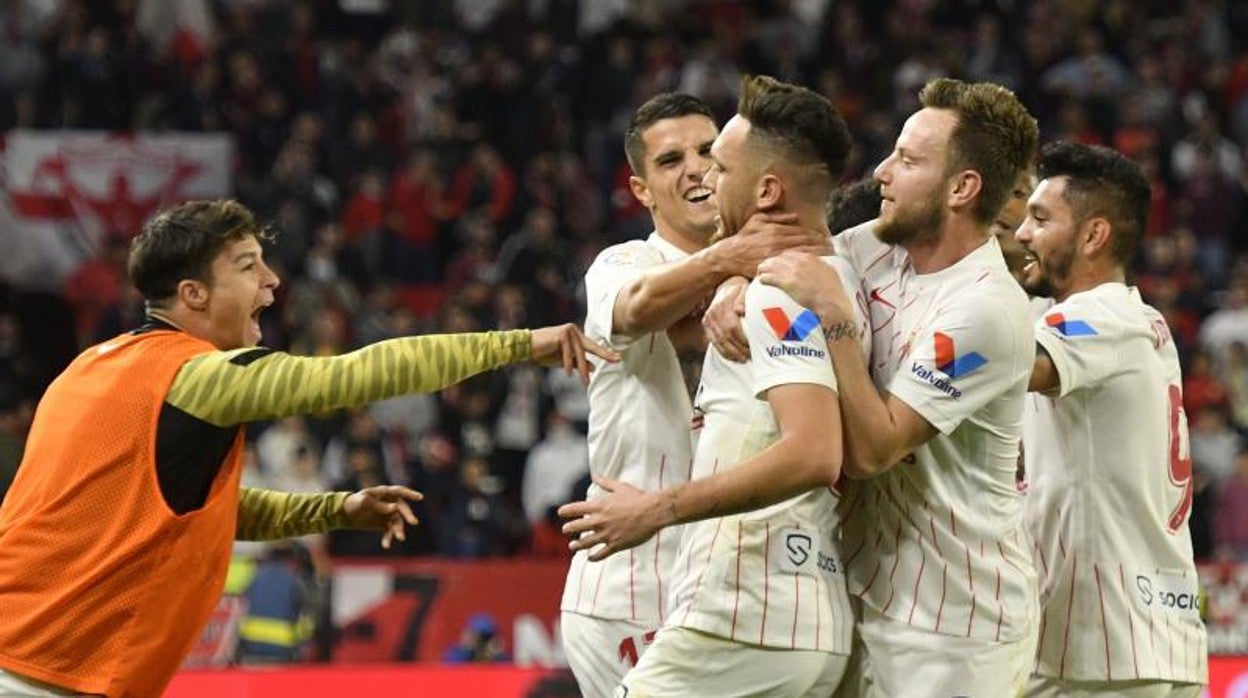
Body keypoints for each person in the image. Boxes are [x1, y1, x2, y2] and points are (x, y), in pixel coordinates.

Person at [0, 199, 614, 698]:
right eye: (248, 267)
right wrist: (518, 344)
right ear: (193, 294)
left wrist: (335, 510)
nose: (271, 281)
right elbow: (356, 375)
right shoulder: (193, 378)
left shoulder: (89, 370)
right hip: (44, 676)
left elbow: (189, 510)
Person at [562, 75, 864, 696]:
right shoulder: (624, 263)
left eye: (708, 152)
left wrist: (739, 276)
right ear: (641, 190)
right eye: (671, 160)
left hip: (738, 572)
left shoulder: (788, 279)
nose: (697, 169)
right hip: (635, 578)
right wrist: (728, 265)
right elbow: (637, 308)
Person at [753, 77, 1040, 697]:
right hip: (862, 592)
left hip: (956, 625)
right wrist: (731, 288)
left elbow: (874, 449)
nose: (882, 172)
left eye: (908, 160)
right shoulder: (872, 247)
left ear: (962, 189)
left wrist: (834, 316)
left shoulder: (987, 309)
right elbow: (774, 255)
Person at [1014, 141, 1208, 696]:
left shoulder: (1098, 315)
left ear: (1093, 235)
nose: (1022, 234)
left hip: (1100, 652)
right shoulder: (1136, 320)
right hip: (1154, 638)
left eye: (1040, 219)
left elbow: (1010, 366)